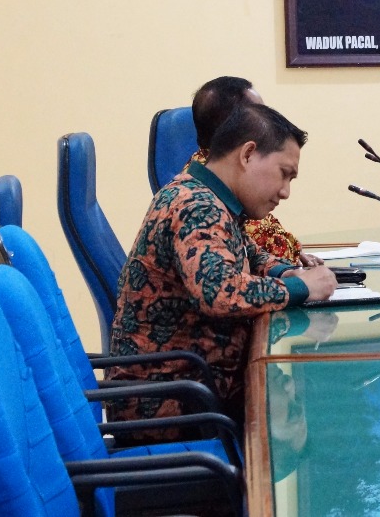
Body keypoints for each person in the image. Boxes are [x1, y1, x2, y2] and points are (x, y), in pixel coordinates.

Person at [108, 103, 337, 432]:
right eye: (284, 173)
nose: (285, 191)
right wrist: (303, 288)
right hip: (172, 406)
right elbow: (219, 293)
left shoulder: (207, 196)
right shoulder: (196, 206)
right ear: (247, 155)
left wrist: (283, 271)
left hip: (190, 388)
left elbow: (247, 251)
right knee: (312, 413)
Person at [190, 76, 321, 266]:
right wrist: (300, 283)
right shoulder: (200, 203)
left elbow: (250, 251)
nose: (269, 123)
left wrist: (283, 271)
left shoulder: (218, 182)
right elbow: (223, 291)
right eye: (261, 114)